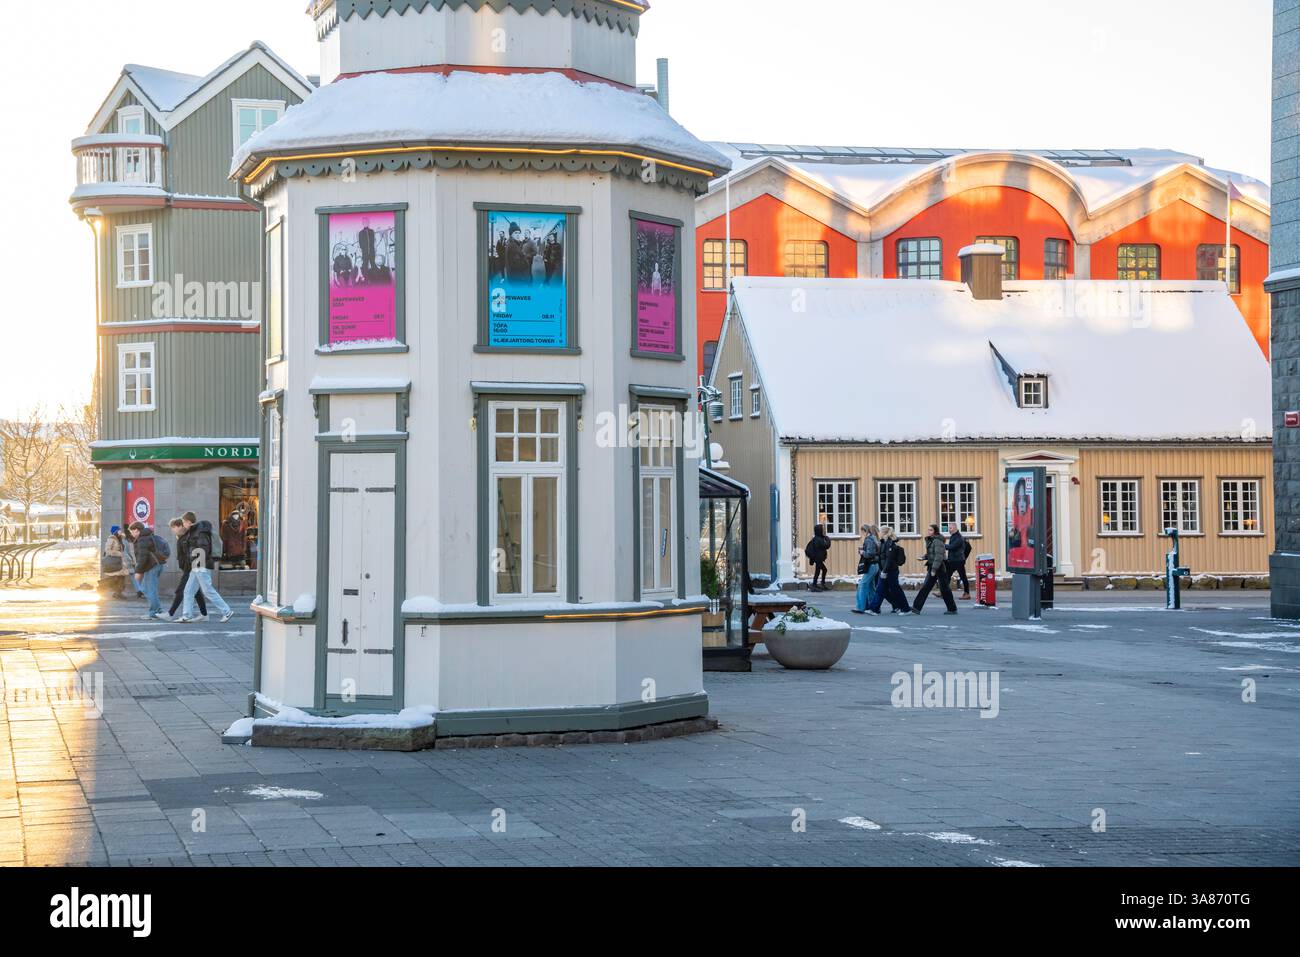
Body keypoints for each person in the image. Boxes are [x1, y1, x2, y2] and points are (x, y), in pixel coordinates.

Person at [175, 512, 234, 624]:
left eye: (183, 522)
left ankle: (226, 611)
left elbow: (203, 549)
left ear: (188, 521)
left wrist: (197, 563)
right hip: (197, 565)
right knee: (188, 590)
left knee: (207, 590)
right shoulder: (194, 532)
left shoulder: (199, 532)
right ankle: (187, 615)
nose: (183, 525)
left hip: (201, 565)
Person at [166, 518, 207, 622]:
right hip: (188, 568)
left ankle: (170, 613)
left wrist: (189, 566)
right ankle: (204, 614)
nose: (173, 530)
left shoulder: (185, 537)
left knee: (181, 590)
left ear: (180, 526)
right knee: (196, 592)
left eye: (173, 528)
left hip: (190, 568)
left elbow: (189, 554)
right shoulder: (181, 537)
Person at [913, 523, 958, 615]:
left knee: (944, 588)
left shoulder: (937, 541)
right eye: (928, 530)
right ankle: (916, 608)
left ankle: (952, 609)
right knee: (926, 587)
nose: (928, 531)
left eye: (931, 530)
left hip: (939, 567)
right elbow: (932, 554)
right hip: (933, 565)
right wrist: (924, 557)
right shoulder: (932, 540)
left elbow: (939, 556)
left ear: (935, 531)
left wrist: (933, 569)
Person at [868, 526, 912, 615]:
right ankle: (874, 609)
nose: (879, 533)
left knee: (896, 590)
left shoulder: (889, 543)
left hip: (891, 571)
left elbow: (889, 559)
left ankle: (906, 609)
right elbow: (882, 557)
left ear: (884, 533)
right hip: (885, 570)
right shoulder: (884, 542)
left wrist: (884, 571)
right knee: (880, 590)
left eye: (880, 531)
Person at [129, 522, 168, 620]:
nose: (131, 534)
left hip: (152, 566)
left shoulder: (142, 539)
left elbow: (143, 557)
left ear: (136, 530)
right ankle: (157, 611)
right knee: (149, 589)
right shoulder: (147, 536)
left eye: (132, 531)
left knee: (149, 589)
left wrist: (138, 572)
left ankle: (154, 613)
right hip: (155, 565)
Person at [851, 524, 881, 614]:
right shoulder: (874, 539)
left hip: (870, 566)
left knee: (862, 585)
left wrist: (862, 552)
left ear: (865, 531)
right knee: (871, 587)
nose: (862, 534)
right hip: (875, 565)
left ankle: (860, 607)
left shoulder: (869, 540)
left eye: (862, 532)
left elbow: (870, 553)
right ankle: (874, 607)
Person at [946, 523, 973, 600]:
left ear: (954, 528)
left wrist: (942, 545)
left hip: (958, 561)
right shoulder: (954, 536)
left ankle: (967, 593)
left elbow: (952, 547)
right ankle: (944, 591)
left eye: (950, 528)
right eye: (949, 528)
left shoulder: (959, 537)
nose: (949, 530)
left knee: (963, 577)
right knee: (947, 575)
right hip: (953, 560)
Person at [100, 530, 129, 598]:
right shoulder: (111, 539)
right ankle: (102, 586)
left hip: (119, 561)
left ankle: (118, 593)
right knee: (117, 578)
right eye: (119, 530)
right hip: (114, 561)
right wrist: (118, 553)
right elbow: (108, 550)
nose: (120, 531)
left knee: (121, 577)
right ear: (115, 531)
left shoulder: (119, 539)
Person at [804, 523, 831, 591]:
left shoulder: (818, 538)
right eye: (823, 529)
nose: (824, 531)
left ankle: (819, 584)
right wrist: (827, 538)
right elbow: (826, 545)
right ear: (819, 531)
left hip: (818, 558)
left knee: (823, 570)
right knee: (819, 571)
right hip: (818, 558)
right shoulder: (818, 539)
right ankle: (815, 585)